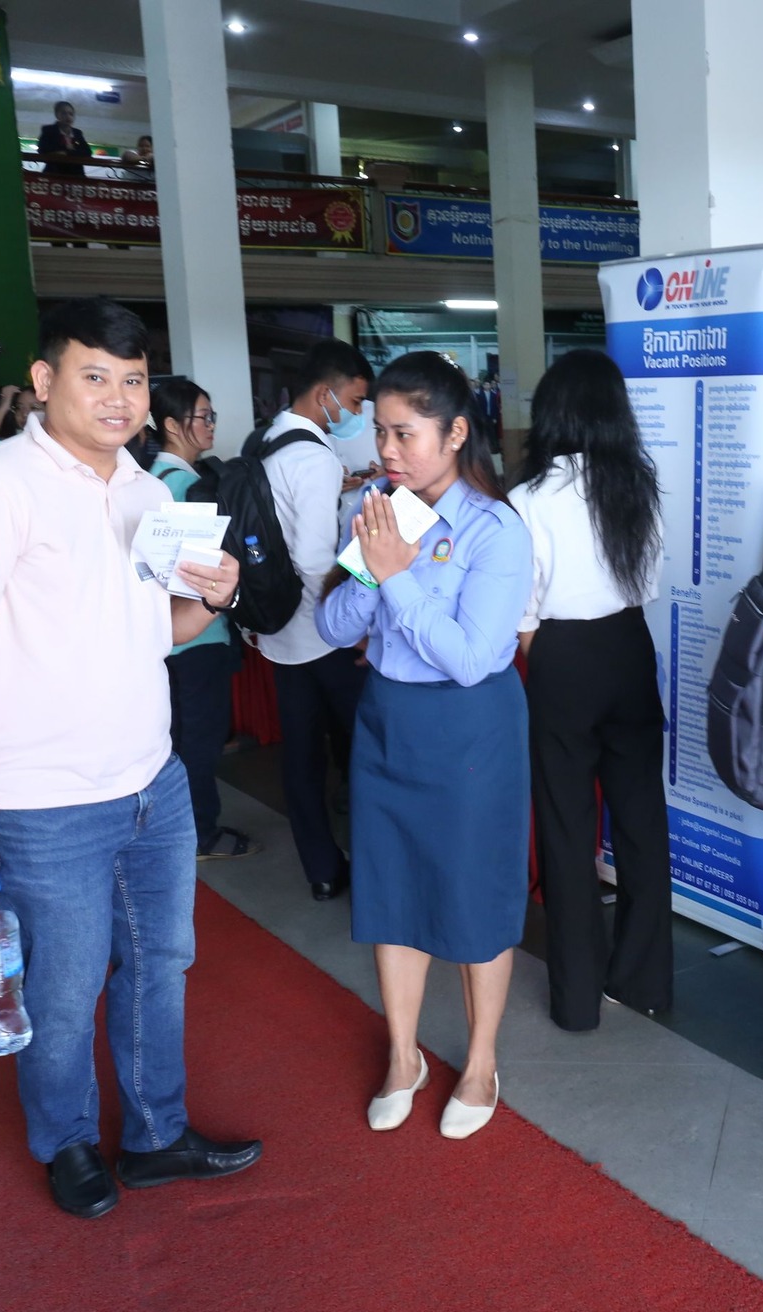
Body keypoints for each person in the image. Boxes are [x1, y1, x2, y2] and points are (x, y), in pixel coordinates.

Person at [0, 297, 261, 1219]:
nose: (118, 397)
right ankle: (66, 1139)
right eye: (95, 376)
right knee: (64, 986)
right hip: (43, 799)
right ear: (44, 381)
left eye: (133, 380)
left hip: (154, 780)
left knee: (160, 964)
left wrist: (214, 597)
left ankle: (155, 1135)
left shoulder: (149, 493)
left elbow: (160, 630)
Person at [315, 351, 532, 1139]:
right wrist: (373, 573)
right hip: (388, 721)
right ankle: (402, 1055)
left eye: (404, 433)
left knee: (474, 895)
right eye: (380, 431)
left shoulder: (495, 529)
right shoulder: (380, 509)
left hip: (471, 730)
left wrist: (397, 578)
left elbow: (472, 657)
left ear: (456, 433)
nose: (388, 449)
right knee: (392, 891)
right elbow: (332, 625)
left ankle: (480, 1063)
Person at [509, 349, 671, 1032]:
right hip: (630, 646)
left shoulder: (527, 499)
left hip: (562, 656)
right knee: (641, 820)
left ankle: (577, 1000)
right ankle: (644, 982)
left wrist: (547, 656)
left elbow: (522, 609)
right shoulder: (638, 485)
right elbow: (650, 582)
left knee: (567, 826)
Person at [256, 338, 376, 899]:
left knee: (301, 758)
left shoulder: (268, 441)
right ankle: (377, 867)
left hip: (280, 631)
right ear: (325, 393)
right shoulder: (315, 457)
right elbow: (312, 558)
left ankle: (322, 870)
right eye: (353, 402)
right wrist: (354, 620)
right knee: (366, 751)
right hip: (324, 632)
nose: (356, 413)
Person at [149, 378, 258, 862]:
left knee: (179, 739)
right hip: (196, 638)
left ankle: (180, 829)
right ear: (173, 425)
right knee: (198, 741)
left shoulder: (152, 480)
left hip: (173, 640)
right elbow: (190, 577)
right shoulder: (183, 487)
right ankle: (199, 834)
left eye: (212, 416)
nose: (212, 425)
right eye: (203, 417)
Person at [37, 101, 90, 177]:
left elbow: (87, 152)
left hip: (76, 176)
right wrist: (73, 152)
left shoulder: (77, 133)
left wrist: (66, 153)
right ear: (57, 115)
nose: (68, 117)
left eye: (71, 114)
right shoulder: (48, 130)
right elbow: (43, 150)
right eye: (64, 113)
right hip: (54, 174)